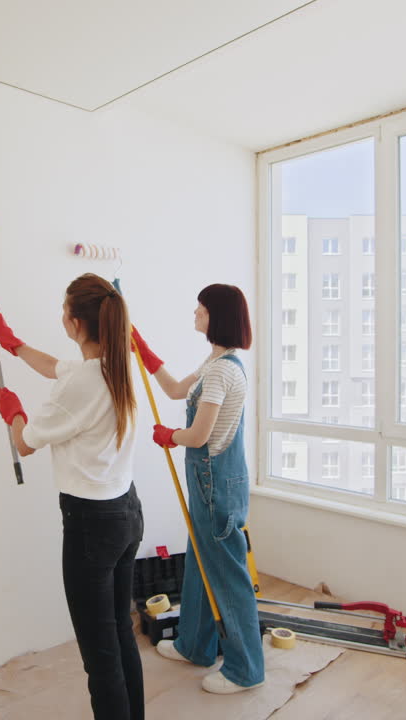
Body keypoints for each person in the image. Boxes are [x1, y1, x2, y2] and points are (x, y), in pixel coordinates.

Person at [0, 273, 145, 720]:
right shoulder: (115, 365)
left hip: (92, 528)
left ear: (74, 322)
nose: (61, 316)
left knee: (100, 655)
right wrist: (11, 342)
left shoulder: (82, 384)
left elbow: (26, 442)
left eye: (63, 309)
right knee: (120, 636)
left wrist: (12, 412)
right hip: (127, 513)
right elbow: (56, 366)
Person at [134, 283, 263, 694]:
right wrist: (143, 351)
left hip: (216, 485)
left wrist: (168, 435)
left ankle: (246, 670)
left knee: (226, 575)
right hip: (214, 482)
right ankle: (195, 645)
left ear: (216, 316)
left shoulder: (223, 371)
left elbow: (199, 435)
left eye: (201, 309)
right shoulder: (216, 361)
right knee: (201, 565)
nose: (195, 313)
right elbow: (175, 390)